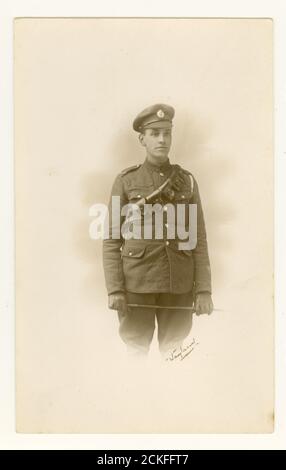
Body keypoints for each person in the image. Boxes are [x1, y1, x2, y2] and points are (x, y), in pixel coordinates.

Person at [102, 103, 213, 358]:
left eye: (167, 133)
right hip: (137, 284)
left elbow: (199, 238)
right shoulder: (126, 181)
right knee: (135, 354)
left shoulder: (187, 181)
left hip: (179, 285)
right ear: (142, 139)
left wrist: (204, 289)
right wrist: (115, 289)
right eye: (154, 134)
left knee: (176, 356)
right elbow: (111, 240)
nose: (162, 139)